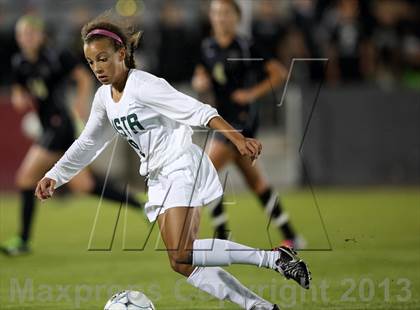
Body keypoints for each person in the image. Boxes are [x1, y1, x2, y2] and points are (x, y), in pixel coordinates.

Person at [35, 12, 311, 310]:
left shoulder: (144, 85)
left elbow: (196, 109)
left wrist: (237, 138)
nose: (97, 68)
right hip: (158, 177)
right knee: (180, 261)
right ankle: (260, 307)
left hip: (181, 165)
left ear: (122, 54)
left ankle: (273, 259)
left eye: (103, 58)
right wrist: (56, 174)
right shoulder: (104, 98)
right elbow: (89, 142)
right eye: (91, 62)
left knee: (183, 250)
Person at [0, 14, 142, 257]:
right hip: (47, 126)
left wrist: (79, 102)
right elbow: (20, 87)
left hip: (61, 124)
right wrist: (18, 96)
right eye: (22, 35)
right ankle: (141, 204)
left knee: (26, 177)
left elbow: (83, 77)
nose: (27, 39)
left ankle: (22, 240)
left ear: (41, 36)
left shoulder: (56, 56)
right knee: (84, 185)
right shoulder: (20, 62)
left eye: (31, 33)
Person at [192, 0, 304, 248]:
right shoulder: (207, 46)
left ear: (236, 17)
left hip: (242, 121)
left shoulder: (246, 45)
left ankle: (222, 236)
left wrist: (251, 94)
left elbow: (279, 73)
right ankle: (292, 235)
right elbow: (202, 74)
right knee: (256, 183)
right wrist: (200, 81)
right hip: (222, 120)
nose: (221, 18)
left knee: (204, 172)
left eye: (226, 13)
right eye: (216, 13)